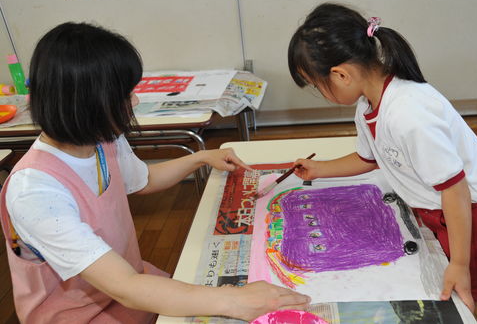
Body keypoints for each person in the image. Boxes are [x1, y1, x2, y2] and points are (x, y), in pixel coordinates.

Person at [0, 22, 310, 324]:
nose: (134, 101)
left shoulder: (102, 138)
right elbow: (126, 288)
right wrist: (236, 301)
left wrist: (201, 158)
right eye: (125, 95)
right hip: (80, 312)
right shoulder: (35, 191)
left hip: (131, 283)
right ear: (87, 102)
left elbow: (143, 181)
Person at [288, 3, 477, 311]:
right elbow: (370, 158)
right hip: (443, 210)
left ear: (340, 74)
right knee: (449, 291)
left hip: (472, 216)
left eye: (316, 85)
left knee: (463, 300)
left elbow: (455, 190)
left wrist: (459, 263)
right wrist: (320, 169)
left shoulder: (408, 114)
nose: (320, 92)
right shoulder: (367, 104)